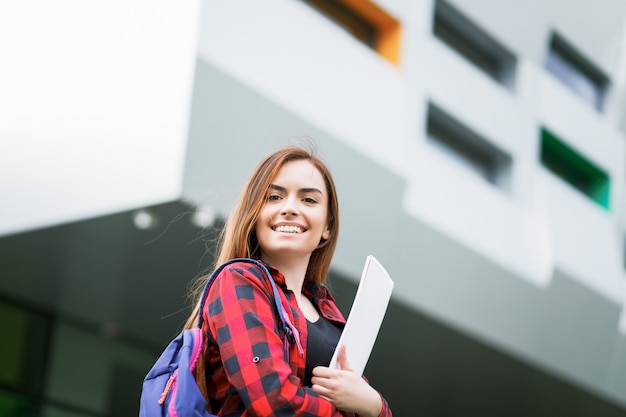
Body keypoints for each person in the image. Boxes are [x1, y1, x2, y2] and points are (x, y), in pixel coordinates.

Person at [183, 144, 392, 417]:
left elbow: (358, 395)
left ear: (327, 226)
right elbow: (274, 400)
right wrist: (364, 408)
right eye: (273, 197)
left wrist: (375, 405)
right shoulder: (238, 282)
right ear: (254, 213)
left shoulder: (329, 313)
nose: (290, 209)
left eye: (309, 200)